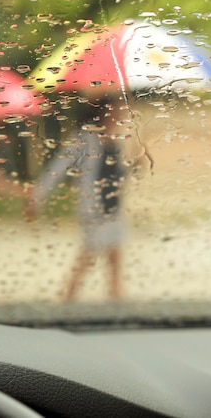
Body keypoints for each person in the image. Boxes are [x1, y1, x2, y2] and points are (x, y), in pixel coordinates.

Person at [26, 100, 126, 302]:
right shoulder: (84, 138)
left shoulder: (114, 140)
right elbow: (57, 169)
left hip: (113, 207)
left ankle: (115, 298)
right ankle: (69, 297)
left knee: (114, 256)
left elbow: (116, 172)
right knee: (88, 256)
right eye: (114, 113)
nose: (118, 118)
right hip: (94, 208)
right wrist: (37, 197)